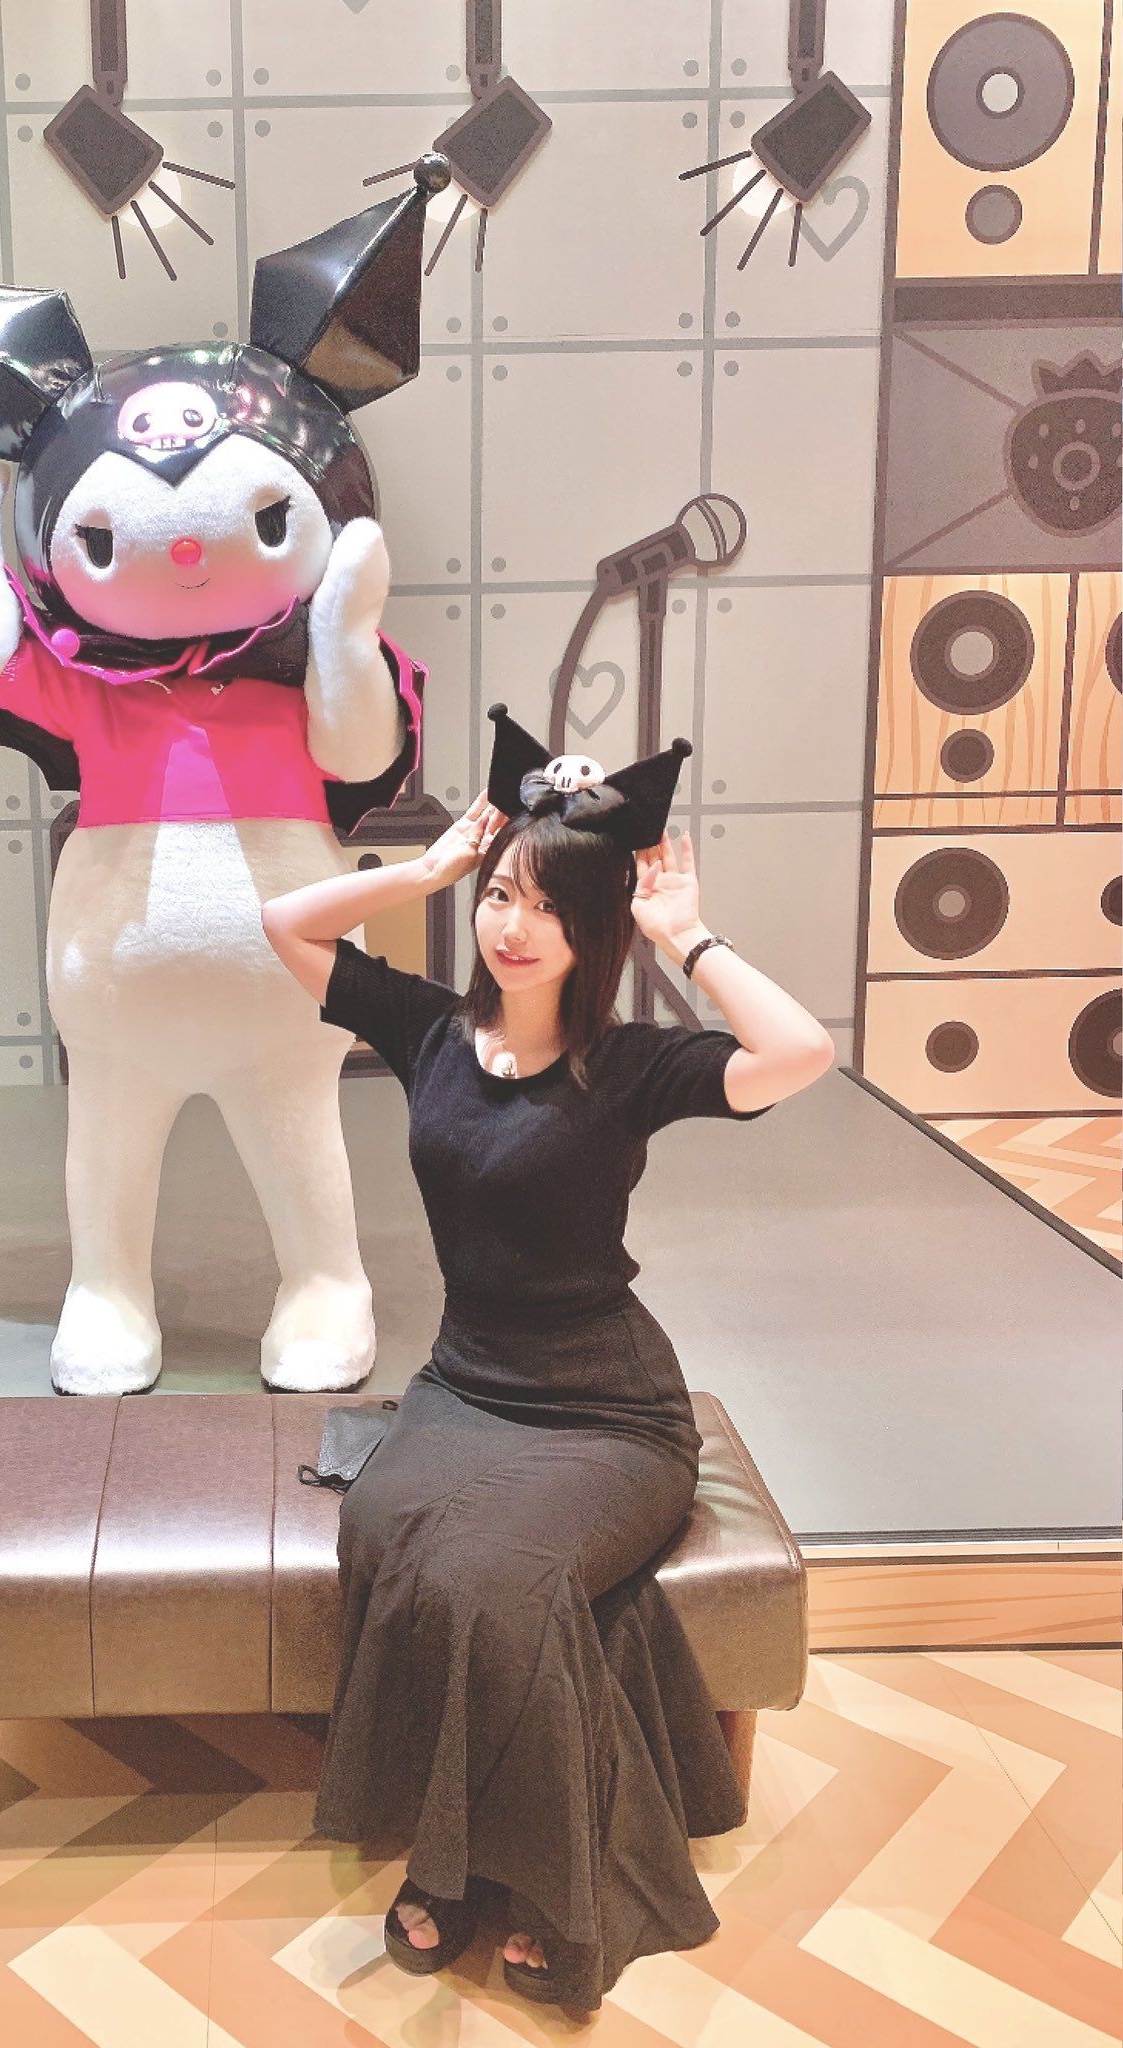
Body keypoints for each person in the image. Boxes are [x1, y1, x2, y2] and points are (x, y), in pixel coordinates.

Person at [259, 732, 835, 2010]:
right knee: (383, 1525)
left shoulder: (627, 1066)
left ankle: (504, 1876)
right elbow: (283, 923)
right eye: (501, 895)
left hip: (608, 1412)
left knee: (492, 1579)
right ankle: (479, 1839)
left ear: (595, 930)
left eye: (551, 907)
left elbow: (799, 1052)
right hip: (465, 1382)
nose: (513, 927)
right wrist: (426, 871)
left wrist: (686, 934)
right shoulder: (428, 1028)